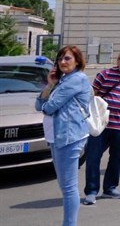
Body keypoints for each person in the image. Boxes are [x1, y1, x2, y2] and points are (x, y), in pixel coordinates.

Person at [35, 46, 91, 226]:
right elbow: (39, 104)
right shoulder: (62, 80)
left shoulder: (78, 79)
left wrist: (45, 105)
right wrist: (50, 84)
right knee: (65, 186)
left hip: (69, 137)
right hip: (56, 137)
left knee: (68, 187)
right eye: (60, 59)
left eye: (67, 58)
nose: (62, 62)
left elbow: (49, 107)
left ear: (77, 61)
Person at [83, 49, 120, 205]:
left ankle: (110, 188)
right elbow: (92, 96)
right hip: (101, 125)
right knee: (93, 157)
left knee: (116, 158)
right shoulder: (105, 74)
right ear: (117, 60)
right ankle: (91, 191)